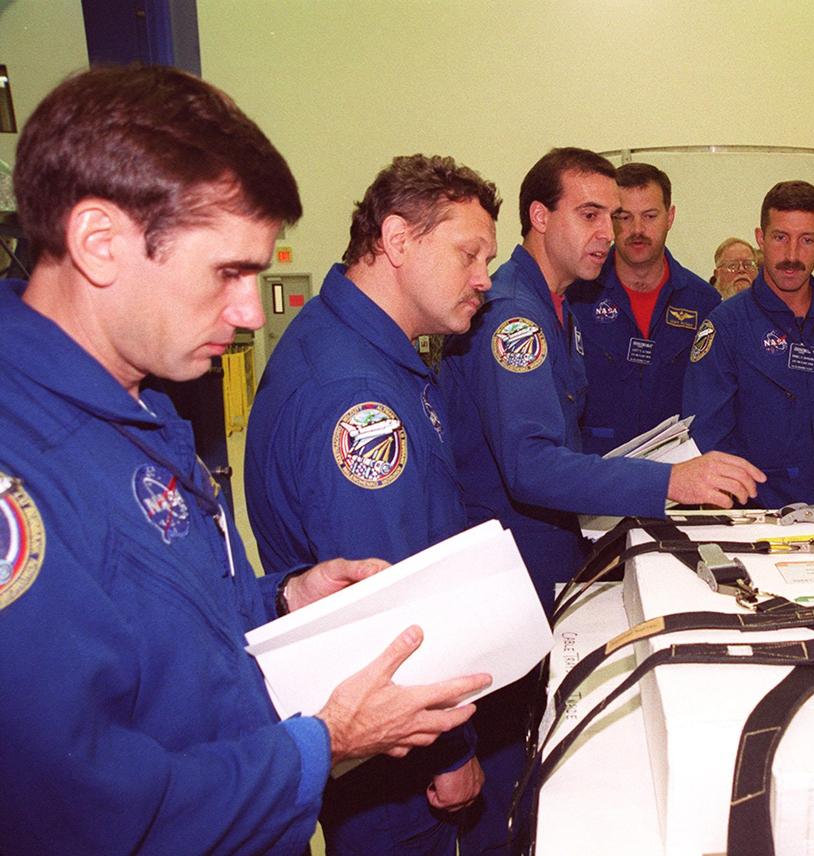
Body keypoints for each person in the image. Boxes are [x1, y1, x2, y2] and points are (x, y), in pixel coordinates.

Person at [0, 65, 489, 854]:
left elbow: (169, 629)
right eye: (227, 273)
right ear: (99, 244)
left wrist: (283, 597)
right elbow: (88, 812)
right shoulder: (22, 470)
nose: (243, 313)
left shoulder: (136, 404)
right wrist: (324, 746)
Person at [438, 146, 763, 854]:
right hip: (511, 573)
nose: (605, 234)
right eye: (589, 215)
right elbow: (529, 465)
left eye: (611, 218)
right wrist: (671, 481)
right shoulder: (515, 317)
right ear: (538, 216)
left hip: (543, 561)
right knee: (503, 772)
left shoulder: (558, 305)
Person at [245, 155, 499, 855]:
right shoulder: (355, 394)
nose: (484, 276)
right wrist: (450, 753)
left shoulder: (369, 352)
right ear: (396, 241)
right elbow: (386, 606)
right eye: (469, 253)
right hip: (391, 743)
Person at [684, 180, 814, 508]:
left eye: (807, 240)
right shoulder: (726, 325)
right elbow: (709, 437)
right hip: (759, 516)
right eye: (780, 238)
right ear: (761, 239)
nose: (792, 255)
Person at [566, 162, 720, 454]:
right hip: (593, 475)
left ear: (670, 217)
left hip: (675, 479)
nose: (637, 230)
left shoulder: (703, 303)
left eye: (650, 216)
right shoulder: (577, 296)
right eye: (624, 217)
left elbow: (711, 403)